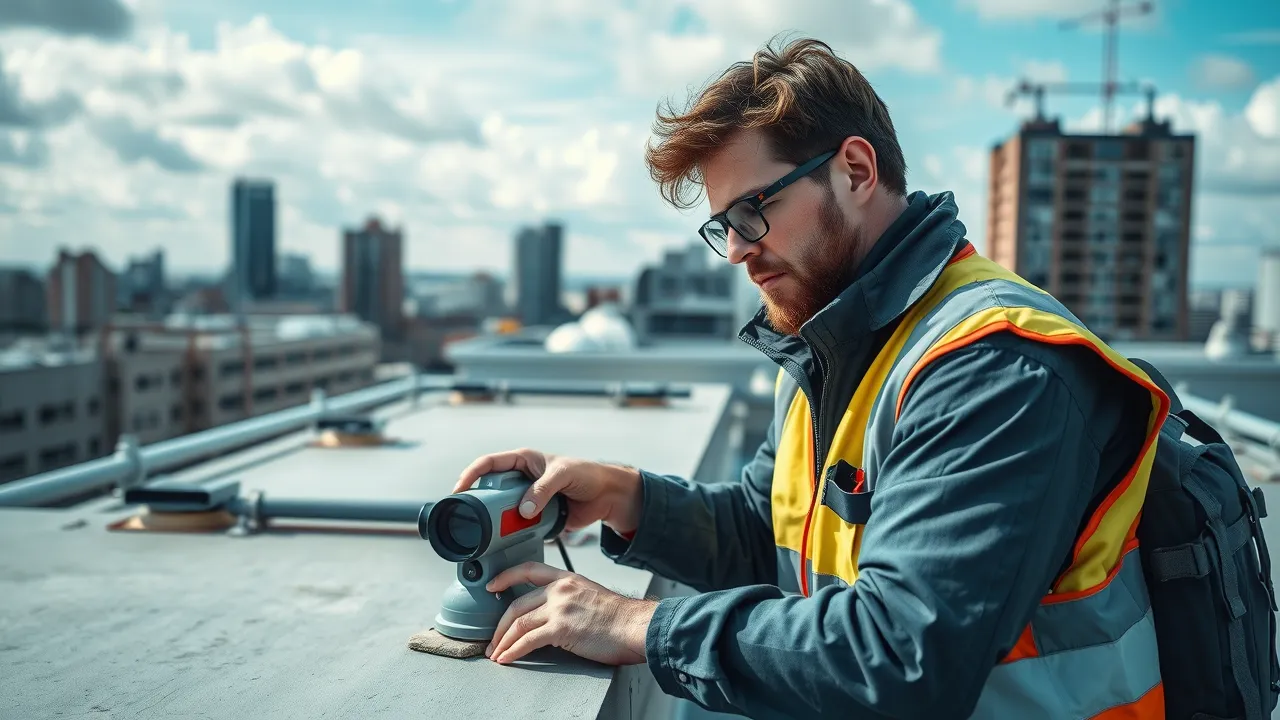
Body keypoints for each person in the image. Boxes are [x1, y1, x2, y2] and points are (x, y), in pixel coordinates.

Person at [452, 36, 1169, 719]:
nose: (734, 251)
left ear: (855, 171)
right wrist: (624, 495)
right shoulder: (830, 342)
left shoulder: (995, 366)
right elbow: (772, 537)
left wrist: (640, 624)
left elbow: (904, 655)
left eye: (753, 211)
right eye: (721, 226)